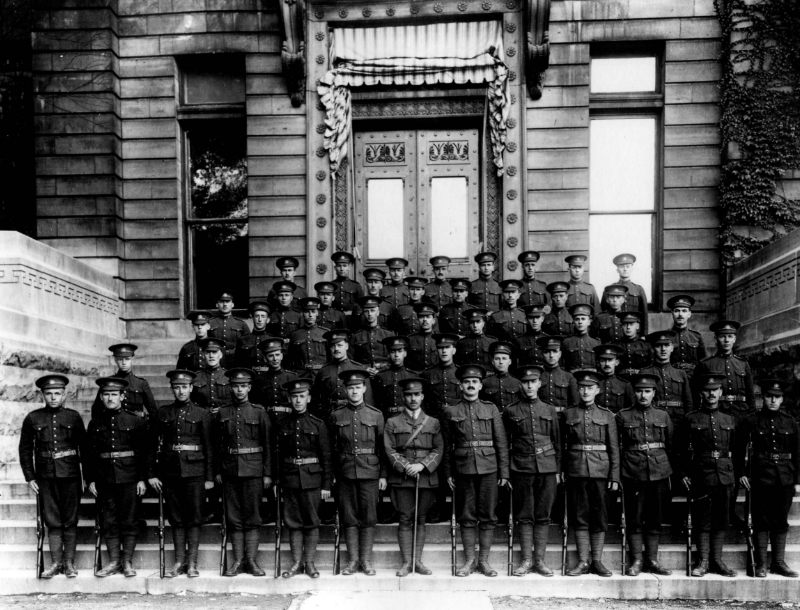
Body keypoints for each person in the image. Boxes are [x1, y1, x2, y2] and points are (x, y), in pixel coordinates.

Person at [443, 364, 510, 577]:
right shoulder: (451, 411)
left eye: (474, 382)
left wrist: (504, 472)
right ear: (460, 385)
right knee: (466, 515)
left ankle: (484, 561)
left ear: (480, 385)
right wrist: (447, 473)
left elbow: (501, 442)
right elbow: (446, 445)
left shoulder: (490, 409)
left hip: (489, 468)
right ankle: (470, 560)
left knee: (488, 515)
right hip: (463, 469)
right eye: (466, 382)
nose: (470, 385)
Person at [148, 370, 215, 578]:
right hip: (170, 472)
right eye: (176, 387)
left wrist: (210, 478)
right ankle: (178, 562)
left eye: (184, 387)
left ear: (191, 388)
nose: (180, 391)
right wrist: (152, 473)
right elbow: (150, 446)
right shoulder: (163, 413)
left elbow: (209, 447)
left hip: (195, 472)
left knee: (194, 517)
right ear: (172, 389)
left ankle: (192, 563)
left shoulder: (202, 414)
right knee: (176, 518)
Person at [18, 374, 86, 578]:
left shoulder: (73, 417)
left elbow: (85, 449)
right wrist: (30, 477)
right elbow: (25, 449)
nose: (53, 397)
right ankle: (56, 563)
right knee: (52, 520)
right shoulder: (33, 418)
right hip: (45, 476)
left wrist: (86, 477)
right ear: (43, 395)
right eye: (49, 394)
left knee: (70, 519)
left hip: (70, 474)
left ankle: (69, 564)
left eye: (57, 393)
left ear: (64, 394)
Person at [735, 379, 800, 578]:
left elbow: (797, 452)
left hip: (784, 477)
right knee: (761, 519)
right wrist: (742, 473)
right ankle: (761, 563)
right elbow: (738, 450)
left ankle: (778, 562)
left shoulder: (790, 422)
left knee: (780, 519)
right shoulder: (751, 421)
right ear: (762, 397)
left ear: (782, 399)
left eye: (777, 397)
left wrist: (796, 479)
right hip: (760, 476)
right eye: (769, 396)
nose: (773, 400)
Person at [86, 377, 148, 578]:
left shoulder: (135, 421)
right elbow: (89, 454)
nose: (110, 398)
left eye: (114, 394)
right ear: (101, 397)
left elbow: (143, 452)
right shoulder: (95, 423)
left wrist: (141, 478)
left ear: (122, 396)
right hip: (104, 477)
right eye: (106, 394)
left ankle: (127, 562)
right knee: (109, 520)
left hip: (130, 476)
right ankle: (113, 562)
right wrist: (91, 479)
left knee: (129, 520)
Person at [503, 364, 561, 576]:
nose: (529, 385)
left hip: (547, 467)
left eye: (533, 382)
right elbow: (505, 443)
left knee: (543, 514)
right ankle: (527, 560)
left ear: (539, 384)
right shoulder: (510, 411)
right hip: (521, 467)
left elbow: (557, 441)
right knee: (525, 514)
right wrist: (507, 472)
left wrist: (558, 470)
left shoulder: (549, 410)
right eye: (525, 382)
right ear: (520, 384)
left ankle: (540, 560)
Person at [678, 373, 738, 577]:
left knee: (721, 519)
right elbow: (681, 449)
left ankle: (717, 560)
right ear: (701, 393)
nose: (711, 394)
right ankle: (703, 561)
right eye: (707, 390)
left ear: (721, 392)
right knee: (703, 518)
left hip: (725, 474)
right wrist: (684, 472)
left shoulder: (729, 419)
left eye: (715, 390)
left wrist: (738, 474)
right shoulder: (691, 418)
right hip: (701, 473)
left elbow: (736, 450)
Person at [562, 370, 620, 577]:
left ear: (598, 390)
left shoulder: (606, 415)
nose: (586, 391)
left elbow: (614, 447)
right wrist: (563, 470)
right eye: (582, 387)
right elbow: (562, 446)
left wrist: (614, 475)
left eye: (590, 388)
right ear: (578, 389)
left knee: (599, 515)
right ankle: (583, 562)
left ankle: (597, 561)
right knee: (580, 516)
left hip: (600, 471)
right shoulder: (568, 414)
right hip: (576, 470)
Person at [384, 377, 444, 576]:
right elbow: (389, 449)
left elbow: (438, 448)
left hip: (425, 477)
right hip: (402, 478)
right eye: (409, 395)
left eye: (416, 394)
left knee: (421, 518)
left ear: (422, 396)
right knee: (404, 518)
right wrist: (406, 466)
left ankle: (418, 561)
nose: (413, 398)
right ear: (403, 397)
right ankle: (406, 562)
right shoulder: (392, 422)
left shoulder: (433, 422)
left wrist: (422, 465)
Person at [329, 369, 387, 575]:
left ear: (364, 388)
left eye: (357, 387)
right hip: (345, 472)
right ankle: (353, 561)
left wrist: (383, 475)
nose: (354, 391)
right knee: (349, 517)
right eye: (350, 387)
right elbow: (331, 449)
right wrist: (333, 475)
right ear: (345, 389)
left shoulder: (376, 415)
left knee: (368, 517)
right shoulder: (336, 415)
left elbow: (384, 448)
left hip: (370, 472)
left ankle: (366, 560)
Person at [615, 373, 673, 576]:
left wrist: (669, 471)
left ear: (654, 393)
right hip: (633, 471)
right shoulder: (623, 416)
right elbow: (617, 447)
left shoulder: (663, 416)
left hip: (659, 471)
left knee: (655, 518)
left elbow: (670, 445)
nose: (643, 395)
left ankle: (652, 559)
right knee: (635, 518)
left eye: (647, 391)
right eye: (639, 391)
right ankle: (637, 560)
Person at [215, 368, 271, 577]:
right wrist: (217, 471)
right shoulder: (222, 413)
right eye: (236, 386)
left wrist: (267, 474)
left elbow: (267, 444)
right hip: (230, 470)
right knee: (234, 516)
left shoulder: (259, 412)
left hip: (254, 470)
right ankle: (238, 560)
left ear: (249, 387)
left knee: (252, 515)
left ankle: (251, 561)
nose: (239, 390)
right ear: (231, 387)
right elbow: (216, 445)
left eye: (243, 386)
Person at [276, 379, 333, 578]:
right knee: (293, 522)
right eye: (294, 396)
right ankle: (296, 563)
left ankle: (309, 563)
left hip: (312, 479)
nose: (298, 400)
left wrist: (326, 484)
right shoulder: (282, 424)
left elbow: (326, 456)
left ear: (308, 398)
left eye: (302, 396)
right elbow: (278, 455)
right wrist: (278, 481)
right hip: (290, 479)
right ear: (289, 399)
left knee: (311, 521)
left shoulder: (318, 424)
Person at [694, 320, 755, 425]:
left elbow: (750, 395)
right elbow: (696, 393)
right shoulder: (706, 364)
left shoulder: (743, 364)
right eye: (722, 336)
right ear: (716, 338)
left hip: (740, 415)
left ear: (735, 339)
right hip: (717, 413)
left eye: (730, 336)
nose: (726, 340)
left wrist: (752, 416)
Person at [311, 329, 374, 420]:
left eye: (339, 345)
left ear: (347, 346)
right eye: (333, 346)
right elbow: (315, 400)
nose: (336, 349)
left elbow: (368, 399)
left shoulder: (359, 369)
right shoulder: (323, 371)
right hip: (329, 416)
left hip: (353, 415)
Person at [90, 343, 157, 422]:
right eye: (120, 359)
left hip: (136, 425)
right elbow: (96, 409)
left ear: (133, 359)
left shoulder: (141, 383)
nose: (124, 363)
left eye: (127, 359)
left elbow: (153, 411)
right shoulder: (108, 382)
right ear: (115, 360)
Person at [640, 331, 693, 427]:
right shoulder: (645, 373)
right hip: (654, 420)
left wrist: (688, 422)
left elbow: (688, 402)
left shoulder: (681, 374)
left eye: (667, 345)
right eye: (659, 346)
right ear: (653, 349)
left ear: (672, 348)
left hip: (678, 420)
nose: (663, 349)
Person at [251, 336, 298, 420]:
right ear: (265, 359)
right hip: (267, 419)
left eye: (277, 355)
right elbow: (255, 404)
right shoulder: (259, 380)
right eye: (270, 356)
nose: (275, 359)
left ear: (282, 356)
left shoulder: (292, 377)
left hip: (288, 419)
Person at [373, 335, 419, 419]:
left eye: (400, 351)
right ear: (388, 354)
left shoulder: (413, 376)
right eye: (392, 351)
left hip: (408, 417)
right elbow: (377, 402)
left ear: (405, 353)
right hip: (387, 417)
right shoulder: (380, 376)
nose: (396, 355)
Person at [605, 253, 649, 336]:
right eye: (621, 267)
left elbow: (644, 314)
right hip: (615, 333)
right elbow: (604, 312)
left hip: (634, 333)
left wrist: (644, 335)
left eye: (628, 266)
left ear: (632, 268)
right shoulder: (610, 290)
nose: (625, 269)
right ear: (617, 269)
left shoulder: (638, 289)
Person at [350, 296, 395, 375]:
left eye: (372, 310)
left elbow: (394, 358)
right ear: (363, 313)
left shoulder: (389, 334)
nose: (370, 314)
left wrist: (381, 370)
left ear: (378, 312)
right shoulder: (356, 336)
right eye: (366, 311)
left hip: (385, 374)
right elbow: (351, 360)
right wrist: (364, 369)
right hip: (364, 375)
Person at [287, 296, 329, 377]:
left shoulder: (325, 333)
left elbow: (331, 359)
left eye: (313, 311)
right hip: (301, 375)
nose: (310, 315)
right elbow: (290, 360)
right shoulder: (295, 335)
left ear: (317, 313)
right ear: (302, 313)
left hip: (320, 375)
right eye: (307, 312)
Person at [667, 294, 707, 379]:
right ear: (672, 313)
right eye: (677, 310)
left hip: (693, 379)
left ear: (689, 314)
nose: (680, 314)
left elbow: (703, 362)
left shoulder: (697, 337)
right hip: (672, 378)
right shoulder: (667, 336)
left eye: (684, 311)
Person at [538, 336, 579, 414]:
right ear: (542, 354)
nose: (551, 355)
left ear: (560, 353)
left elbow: (575, 404)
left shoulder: (569, 377)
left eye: (555, 351)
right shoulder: (537, 376)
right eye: (547, 351)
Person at [190, 337, 231, 414]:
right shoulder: (196, 378)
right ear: (203, 355)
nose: (211, 356)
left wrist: (223, 410)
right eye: (207, 352)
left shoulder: (228, 377)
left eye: (214, 352)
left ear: (221, 355)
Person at [480, 341, 522, 414]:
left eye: (504, 358)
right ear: (493, 362)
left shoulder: (517, 383)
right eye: (497, 359)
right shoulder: (485, 382)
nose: (501, 362)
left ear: (510, 361)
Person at [208, 289, 250, 359]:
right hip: (216, 359)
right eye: (221, 302)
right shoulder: (210, 323)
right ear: (217, 304)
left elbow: (247, 345)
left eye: (227, 301)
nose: (225, 304)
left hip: (236, 360)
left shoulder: (241, 324)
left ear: (232, 304)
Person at [594, 344, 635, 414]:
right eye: (603, 360)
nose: (607, 364)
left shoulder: (625, 385)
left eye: (610, 360)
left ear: (617, 362)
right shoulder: (594, 384)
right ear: (598, 363)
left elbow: (631, 409)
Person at [613, 311, 653, 380]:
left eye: (631, 324)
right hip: (620, 380)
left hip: (639, 379)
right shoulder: (615, 346)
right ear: (621, 326)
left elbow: (651, 366)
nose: (628, 327)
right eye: (625, 324)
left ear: (637, 326)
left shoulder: (646, 345)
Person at [561, 304, 600, 373]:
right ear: (573, 322)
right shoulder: (566, 342)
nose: (580, 322)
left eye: (583, 319)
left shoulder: (596, 343)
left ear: (589, 322)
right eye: (577, 319)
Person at [233, 301, 272, 368]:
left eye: (263, 316)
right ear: (252, 318)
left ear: (268, 320)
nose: (260, 320)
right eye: (257, 316)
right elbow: (238, 364)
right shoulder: (243, 340)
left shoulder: (271, 340)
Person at [408, 302, 439, 371]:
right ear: (417, 320)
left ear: (433, 320)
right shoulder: (410, 339)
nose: (424, 320)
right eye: (421, 317)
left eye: (428, 317)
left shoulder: (438, 339)